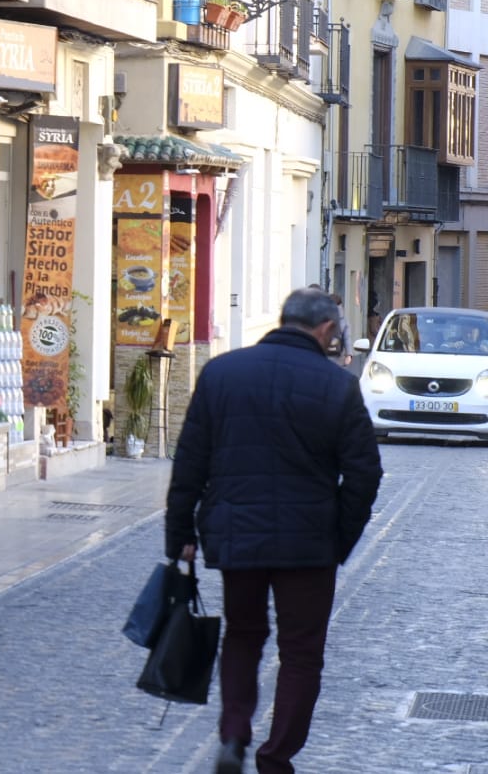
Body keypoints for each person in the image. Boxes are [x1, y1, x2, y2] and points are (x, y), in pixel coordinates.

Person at [166, 288, 383, 774]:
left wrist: (180, 532)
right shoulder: (337, 386)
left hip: (237, 535)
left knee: (243, 635)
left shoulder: (221, 373)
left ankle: (234, 734)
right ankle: (276, 756)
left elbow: (190, 461)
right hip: (309, 546)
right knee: (301, 654)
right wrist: (339, 538)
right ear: (327, 330)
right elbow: (365, 473)